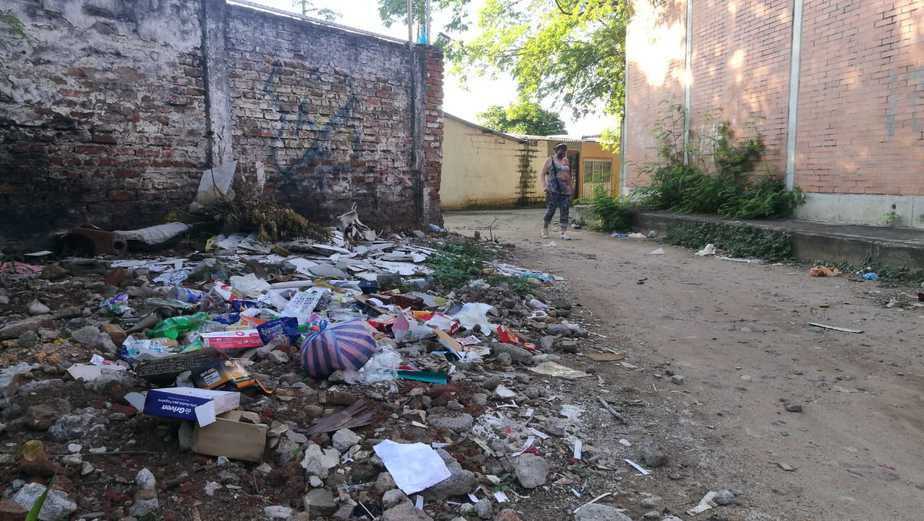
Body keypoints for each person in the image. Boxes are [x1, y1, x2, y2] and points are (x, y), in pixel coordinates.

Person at [541, 143, 573, 239]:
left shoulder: (566, 160)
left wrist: (570, 187)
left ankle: (563, 233)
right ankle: (544, 229)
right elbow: (542, 174)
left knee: (565, 210)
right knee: (551, 210)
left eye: (564, 150)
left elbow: (567, 175)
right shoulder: (549, 160)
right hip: (553, 190)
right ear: (556, 150)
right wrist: (544, 186)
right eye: (561, 149)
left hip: (565, 190)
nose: (563, 152)